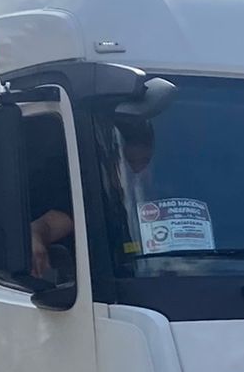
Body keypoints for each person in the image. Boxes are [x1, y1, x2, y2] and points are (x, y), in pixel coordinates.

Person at [30, 114, 157, 278]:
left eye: (145, 162)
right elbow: (47, 225)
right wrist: (34, 236)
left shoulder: (171, 202)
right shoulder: (93, 204)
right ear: (113, 164)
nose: (138, 172)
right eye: (131, 163)